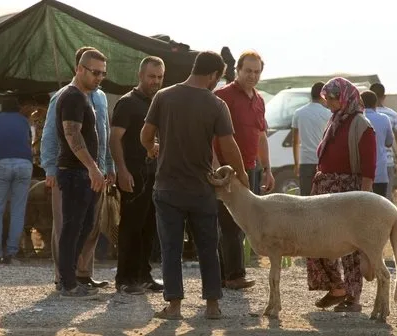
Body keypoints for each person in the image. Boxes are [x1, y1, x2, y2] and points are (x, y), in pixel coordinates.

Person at [141, 51, 249, 320]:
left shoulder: (163, 96)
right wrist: (243, 175)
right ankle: (212, 305)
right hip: (202, 188)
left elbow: (145, 135)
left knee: (171, 249)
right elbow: (228, 146)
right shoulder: (216, 105)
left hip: (167, 187)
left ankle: (174, 306)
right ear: (213, 75)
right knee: (208, 248)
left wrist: (153, 148)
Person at [42, 47, 115, 291]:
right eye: (95, 72)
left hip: (92, 170)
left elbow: (103, 133)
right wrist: (50, 168)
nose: (99, 77)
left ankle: (77, 275)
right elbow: (64, 135)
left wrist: (105, 166)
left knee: (87, 226)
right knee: (69, 227)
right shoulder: (69, 96)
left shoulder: (96, 97)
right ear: (79, 69)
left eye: (103, 73)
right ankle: (65, 279)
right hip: (75, 171)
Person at [306, 77, 376, 312]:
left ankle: (353, 297)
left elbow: (368, 167)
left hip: (349, 193)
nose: (330, 103)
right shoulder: (334, 120)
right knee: (315, 240)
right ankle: (337, 287)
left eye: (334, 98)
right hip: (325, 190)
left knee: (349, 247)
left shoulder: (361, 124)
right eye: (328, 99)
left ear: (346, 97)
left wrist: (363, 200)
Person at [212, 50, 275, 290]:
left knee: (244, 222)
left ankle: (227, 275)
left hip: (250, 169)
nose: (252, 75)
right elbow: (210, 134)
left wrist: (267, 168)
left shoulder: (258, 99)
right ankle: (233, 275)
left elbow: (260, 136)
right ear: (237, 70)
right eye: (248, 71)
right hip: (226, 172)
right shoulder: (222, 96)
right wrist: (217, 168)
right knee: (229, 223)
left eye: (256, 71)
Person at [110, 56, 166, 295]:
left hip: (153, 175)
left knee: (148, 227)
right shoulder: (128, 103)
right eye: (151, 76)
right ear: (140, 76)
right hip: (132, 174)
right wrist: (121, 170)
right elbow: (114, 139)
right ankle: (124, 278)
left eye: (160, 77)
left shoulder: (158, 103)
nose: (155, 81)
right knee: (130, 227)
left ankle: (144, 275)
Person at [0, 96, 33, 264]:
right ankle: (12, 253)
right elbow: (28, 141)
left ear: (1, 107)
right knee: (18, 210)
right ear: (18, 107)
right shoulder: (24, 121)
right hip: (24, 164)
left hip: (1, 163)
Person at [292, 82, 331, 196]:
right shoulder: (329, 114)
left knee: (306, 198)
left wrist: (296, 164)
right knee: (323, 197)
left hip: (305, 161)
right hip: (323, 162)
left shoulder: (298, 113)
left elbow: (295, 141)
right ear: (323, 95)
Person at [370, 82, 397, 201]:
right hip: (386, 162)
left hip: (365, 163)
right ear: (384, 97)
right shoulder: (392, 115)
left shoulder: (360, 115)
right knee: (385, 200)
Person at [361, 90, 394, 196]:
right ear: (375, 103)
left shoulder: (357, 118)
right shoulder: (384, 119)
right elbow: (389, 142)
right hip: (380, 172)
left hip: (361, 174)